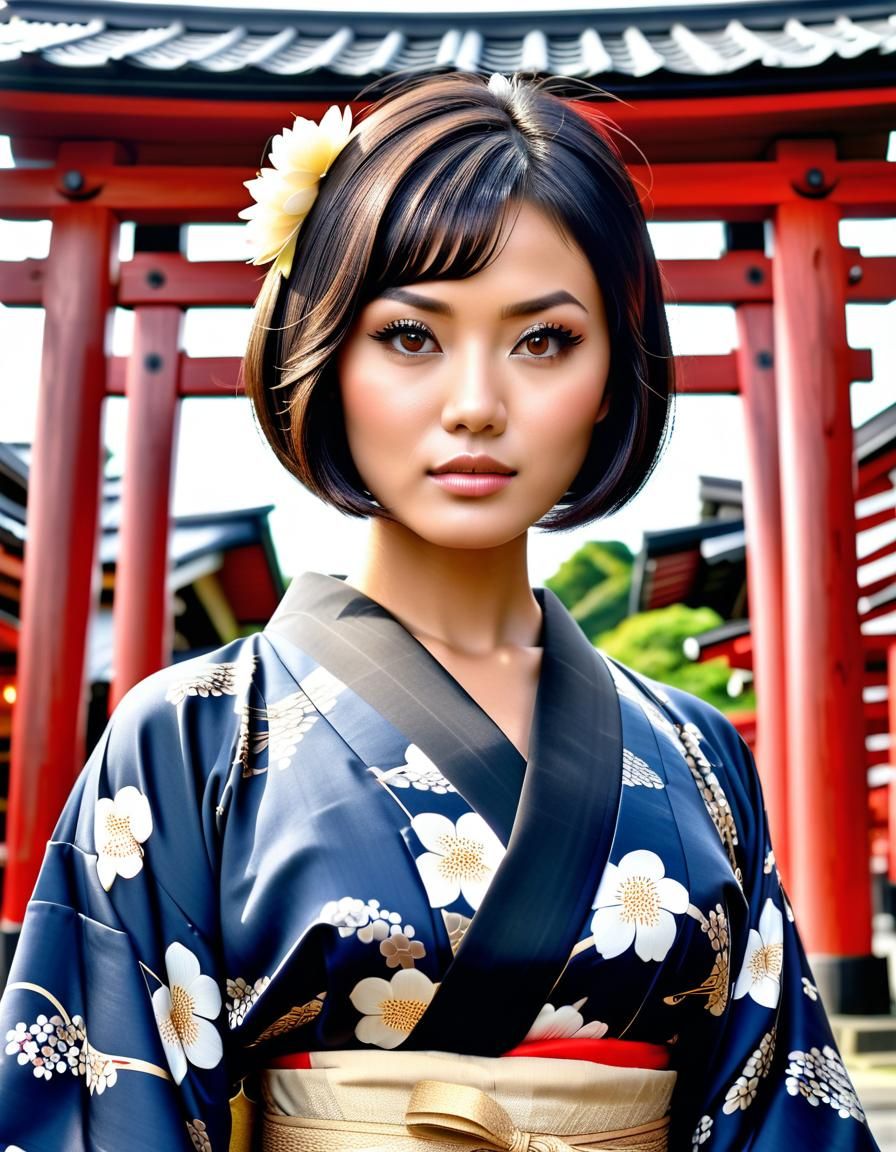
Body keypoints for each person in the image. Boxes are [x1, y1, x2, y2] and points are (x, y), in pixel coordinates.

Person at [0, 72, 880, 1152]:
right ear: (323, 353)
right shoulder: (188, 737)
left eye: (543, 340)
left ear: (612, 372)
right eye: (411, 336)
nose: (475, 402)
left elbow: (777, 1110)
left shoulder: (692, 750)